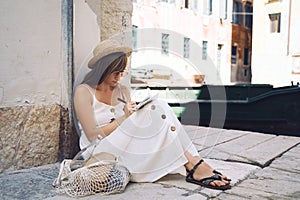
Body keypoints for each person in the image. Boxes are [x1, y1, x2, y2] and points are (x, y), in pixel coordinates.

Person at [73, 39, 231, 190]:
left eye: (122, 72)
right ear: (103, 69)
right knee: (155, 111)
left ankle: (192, 162)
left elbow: (130, 125)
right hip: (100, 149)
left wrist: (134, 113)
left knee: (158, 106)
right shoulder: (84, 92)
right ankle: (193, 163)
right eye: (115, 72)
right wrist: (124, 118)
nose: (119, 77)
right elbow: (92, 134)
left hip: (124, 143)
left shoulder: (123, 90)